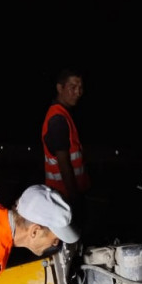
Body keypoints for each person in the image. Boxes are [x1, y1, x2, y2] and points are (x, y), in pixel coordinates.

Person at [41, 67, 91, 232]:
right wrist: (74, 199)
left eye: (80, 87)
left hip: (64, 196)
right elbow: (64, 163)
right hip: (65, 197)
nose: (78, 92)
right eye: (73, 87)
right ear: (60, 88)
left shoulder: (63, 114)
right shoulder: (58, 119)